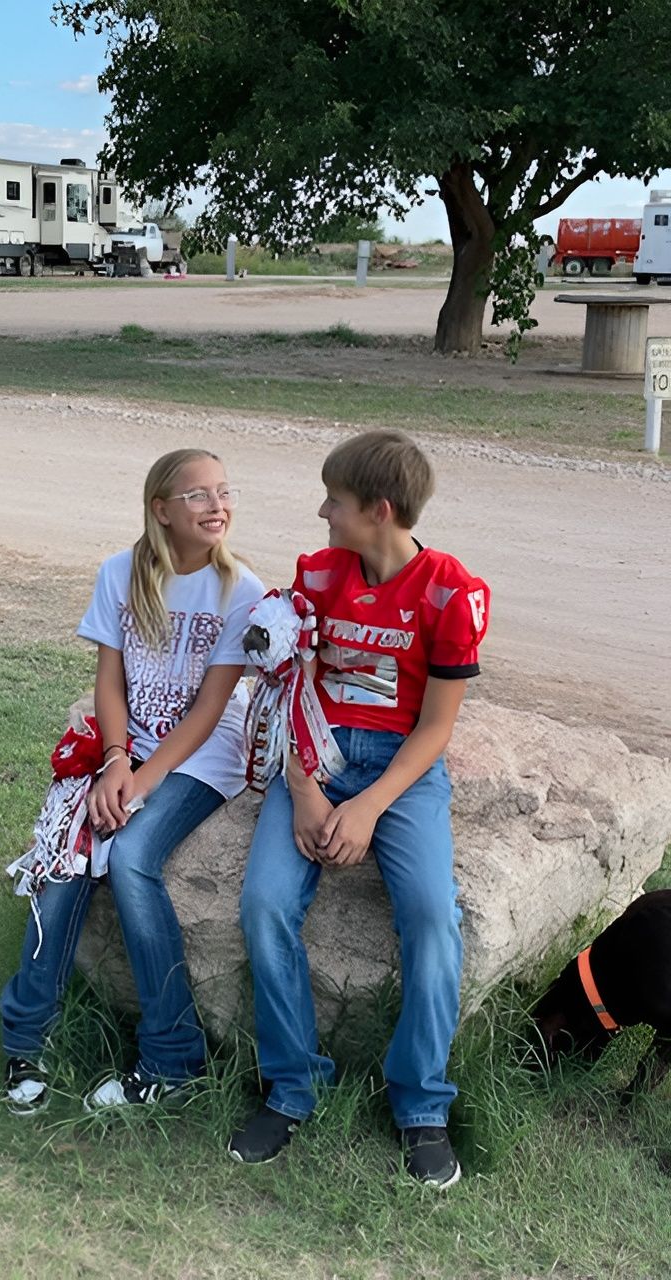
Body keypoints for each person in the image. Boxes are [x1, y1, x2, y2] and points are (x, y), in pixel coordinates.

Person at [229, 429, 490, 1188]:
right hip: (314, 755)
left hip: (400, 772)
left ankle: (421, 1104)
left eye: (335, 503)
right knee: (264, 902)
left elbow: (437, 727)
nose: (322, 513)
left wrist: (370, 808)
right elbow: (288, 685)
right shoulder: (319, 575)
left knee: (433, 915)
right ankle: (291, 1085)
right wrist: (306, 790)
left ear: (379, 510)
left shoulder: (451, 593)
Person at [0, 448, 264, 1115]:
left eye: (224, 491)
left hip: (203, 756)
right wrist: (116, 758)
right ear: (161, 509)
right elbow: (109, 680)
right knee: (69, 853)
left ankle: (173, 1056)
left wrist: (142, 779)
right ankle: (25, 1038)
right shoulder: (120, 574)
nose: (217, 505)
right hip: (131, 743)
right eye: (198, 495)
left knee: (134, 855)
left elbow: (210, 710)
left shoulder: (243, 592)